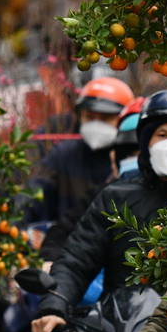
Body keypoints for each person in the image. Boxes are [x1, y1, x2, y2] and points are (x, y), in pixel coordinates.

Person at [31, 89, 167, 332]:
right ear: (146, 143)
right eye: (162, 135)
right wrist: (55, 305)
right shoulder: (116, 197)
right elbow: (77, 258)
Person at [24, 77, 136, 226]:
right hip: (66, 239)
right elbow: (34, 192)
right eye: (89, 117)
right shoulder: (64, 155)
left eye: (106, 118)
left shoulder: (132, 161)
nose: (96, 124)